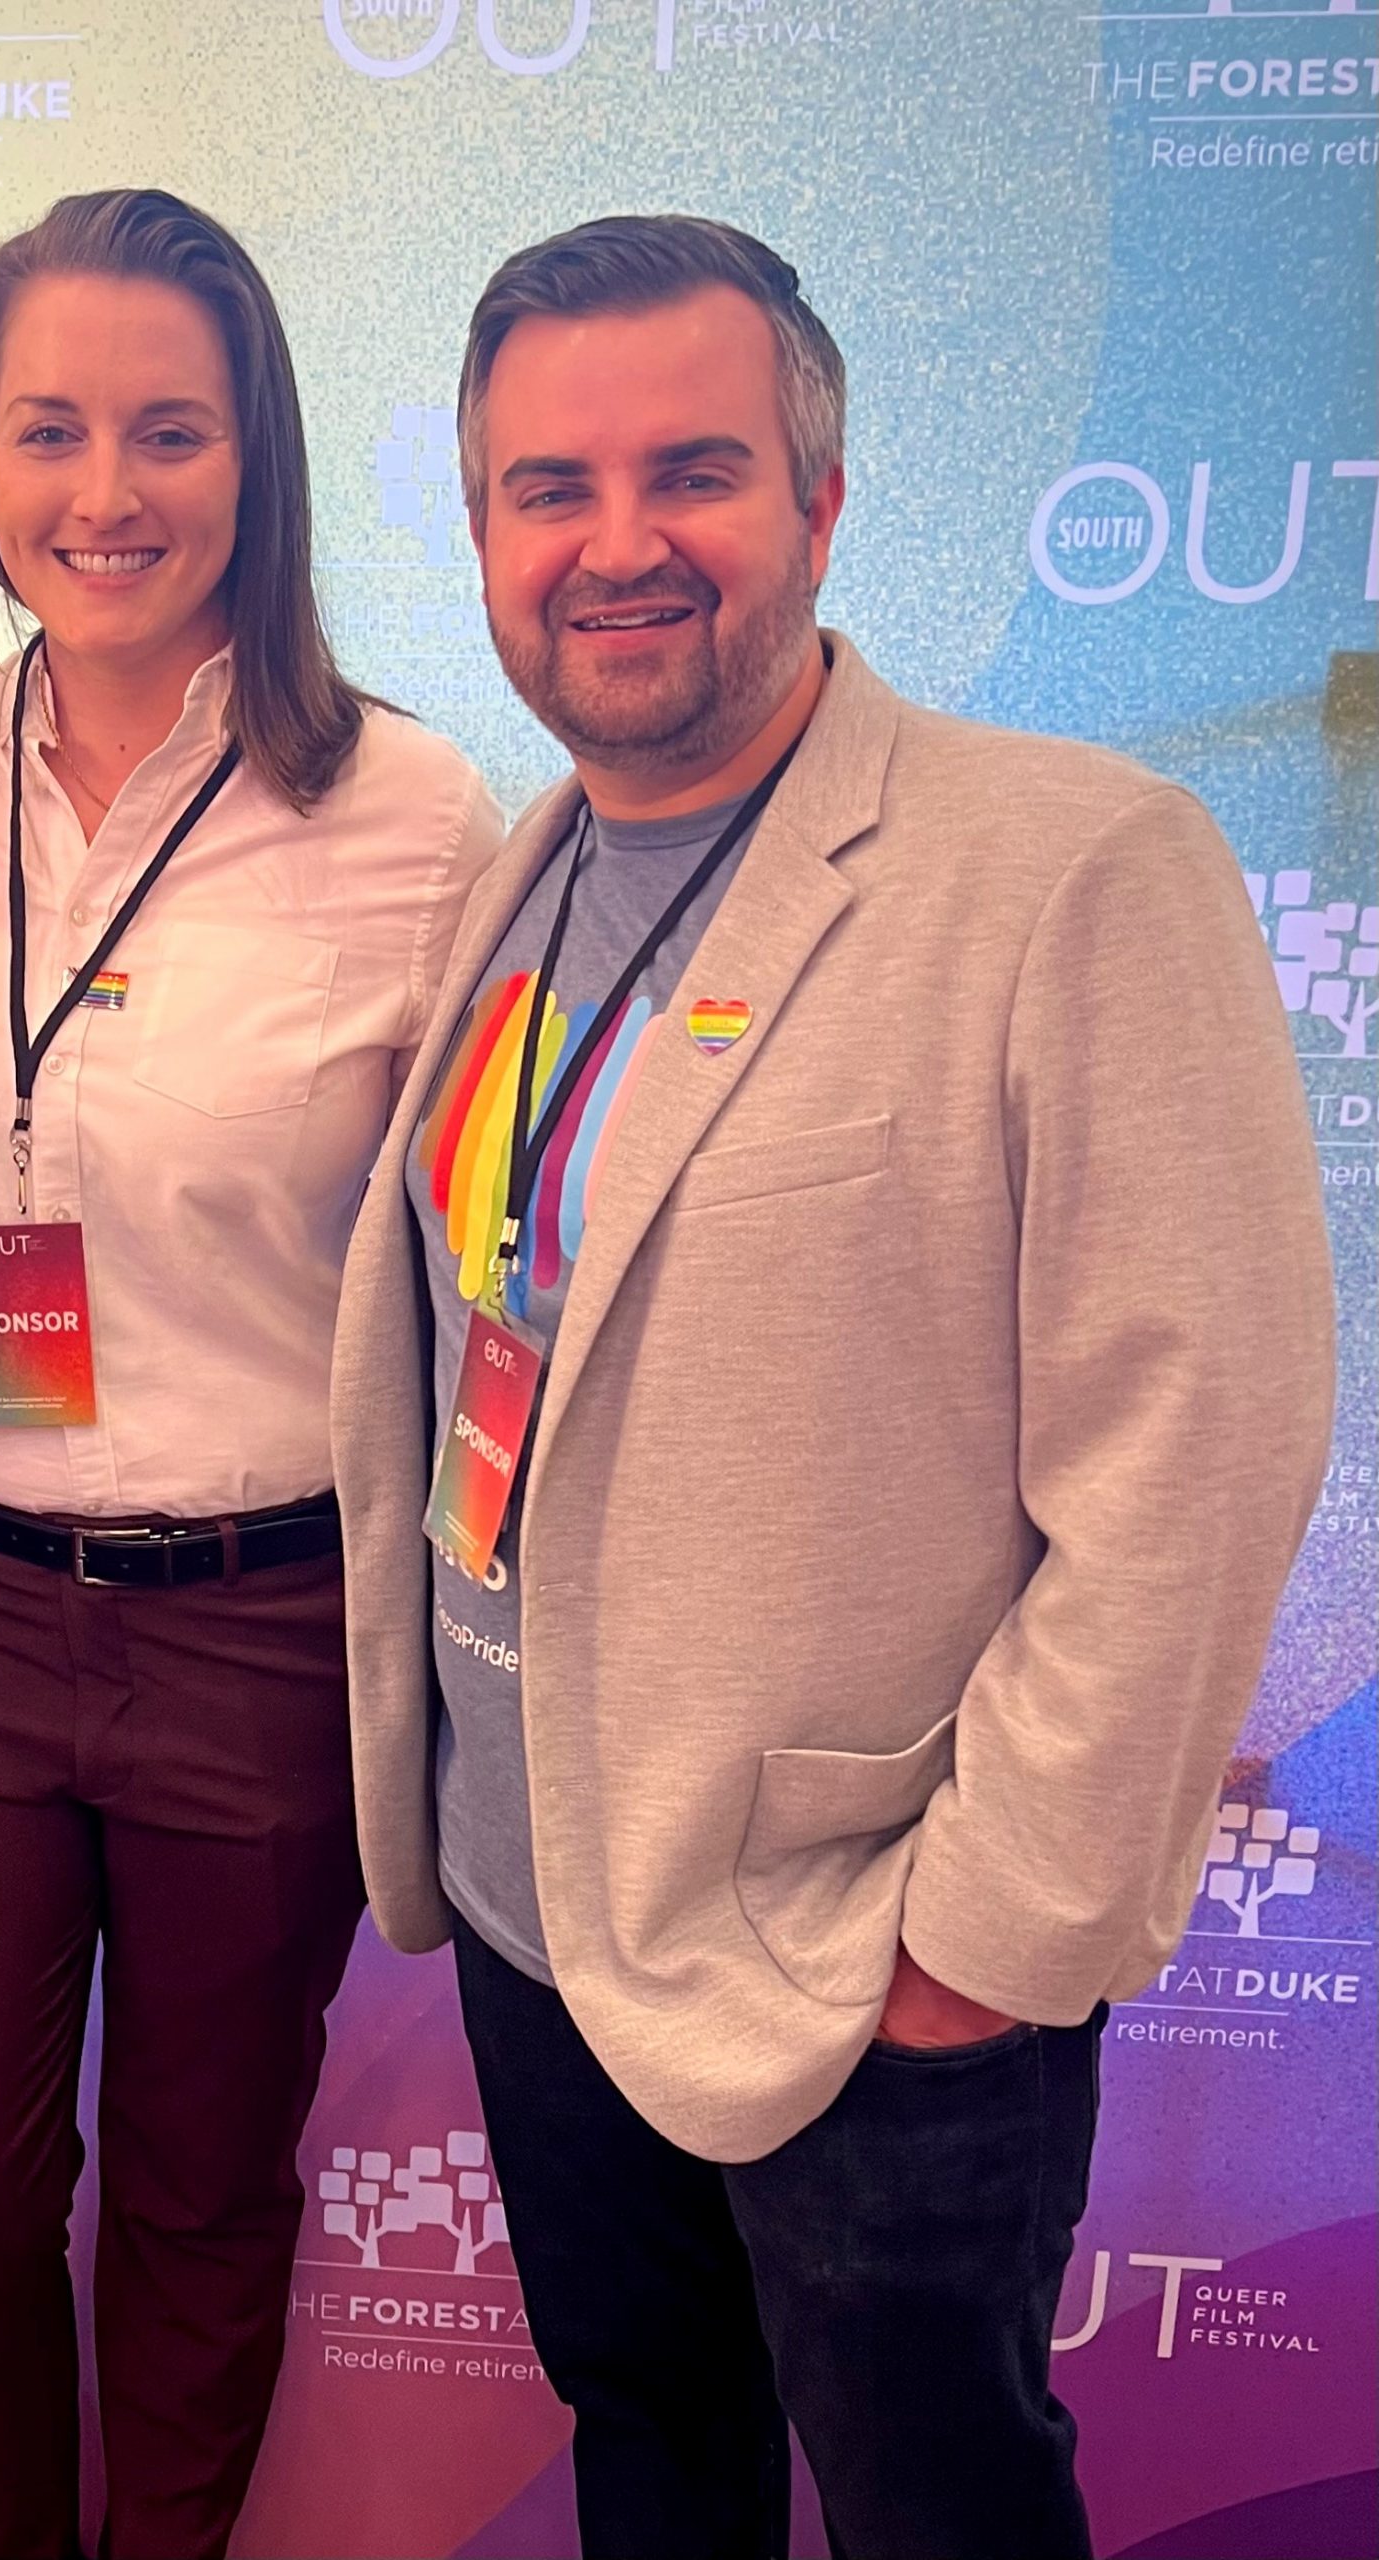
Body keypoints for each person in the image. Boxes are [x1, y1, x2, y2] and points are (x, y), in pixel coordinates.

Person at [331, 215, 1335, 2560]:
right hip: (530, 1897)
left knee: (934, 2506)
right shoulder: (526, 869)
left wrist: (976, 1947)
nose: (614, 543)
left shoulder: (1069, 866)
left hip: (858, 1950)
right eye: (542, 489)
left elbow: (1193, 1454)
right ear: (477, 530)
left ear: (820, 493)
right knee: (649, 2458)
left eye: (690, 469)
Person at [0, 190, 504, 2560]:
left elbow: (485, 1260)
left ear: (258, 458)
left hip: (258, 1611)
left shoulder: (412, 817)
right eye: (48, 428)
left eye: (168, 430)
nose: (103, 489)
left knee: (205, 2197)